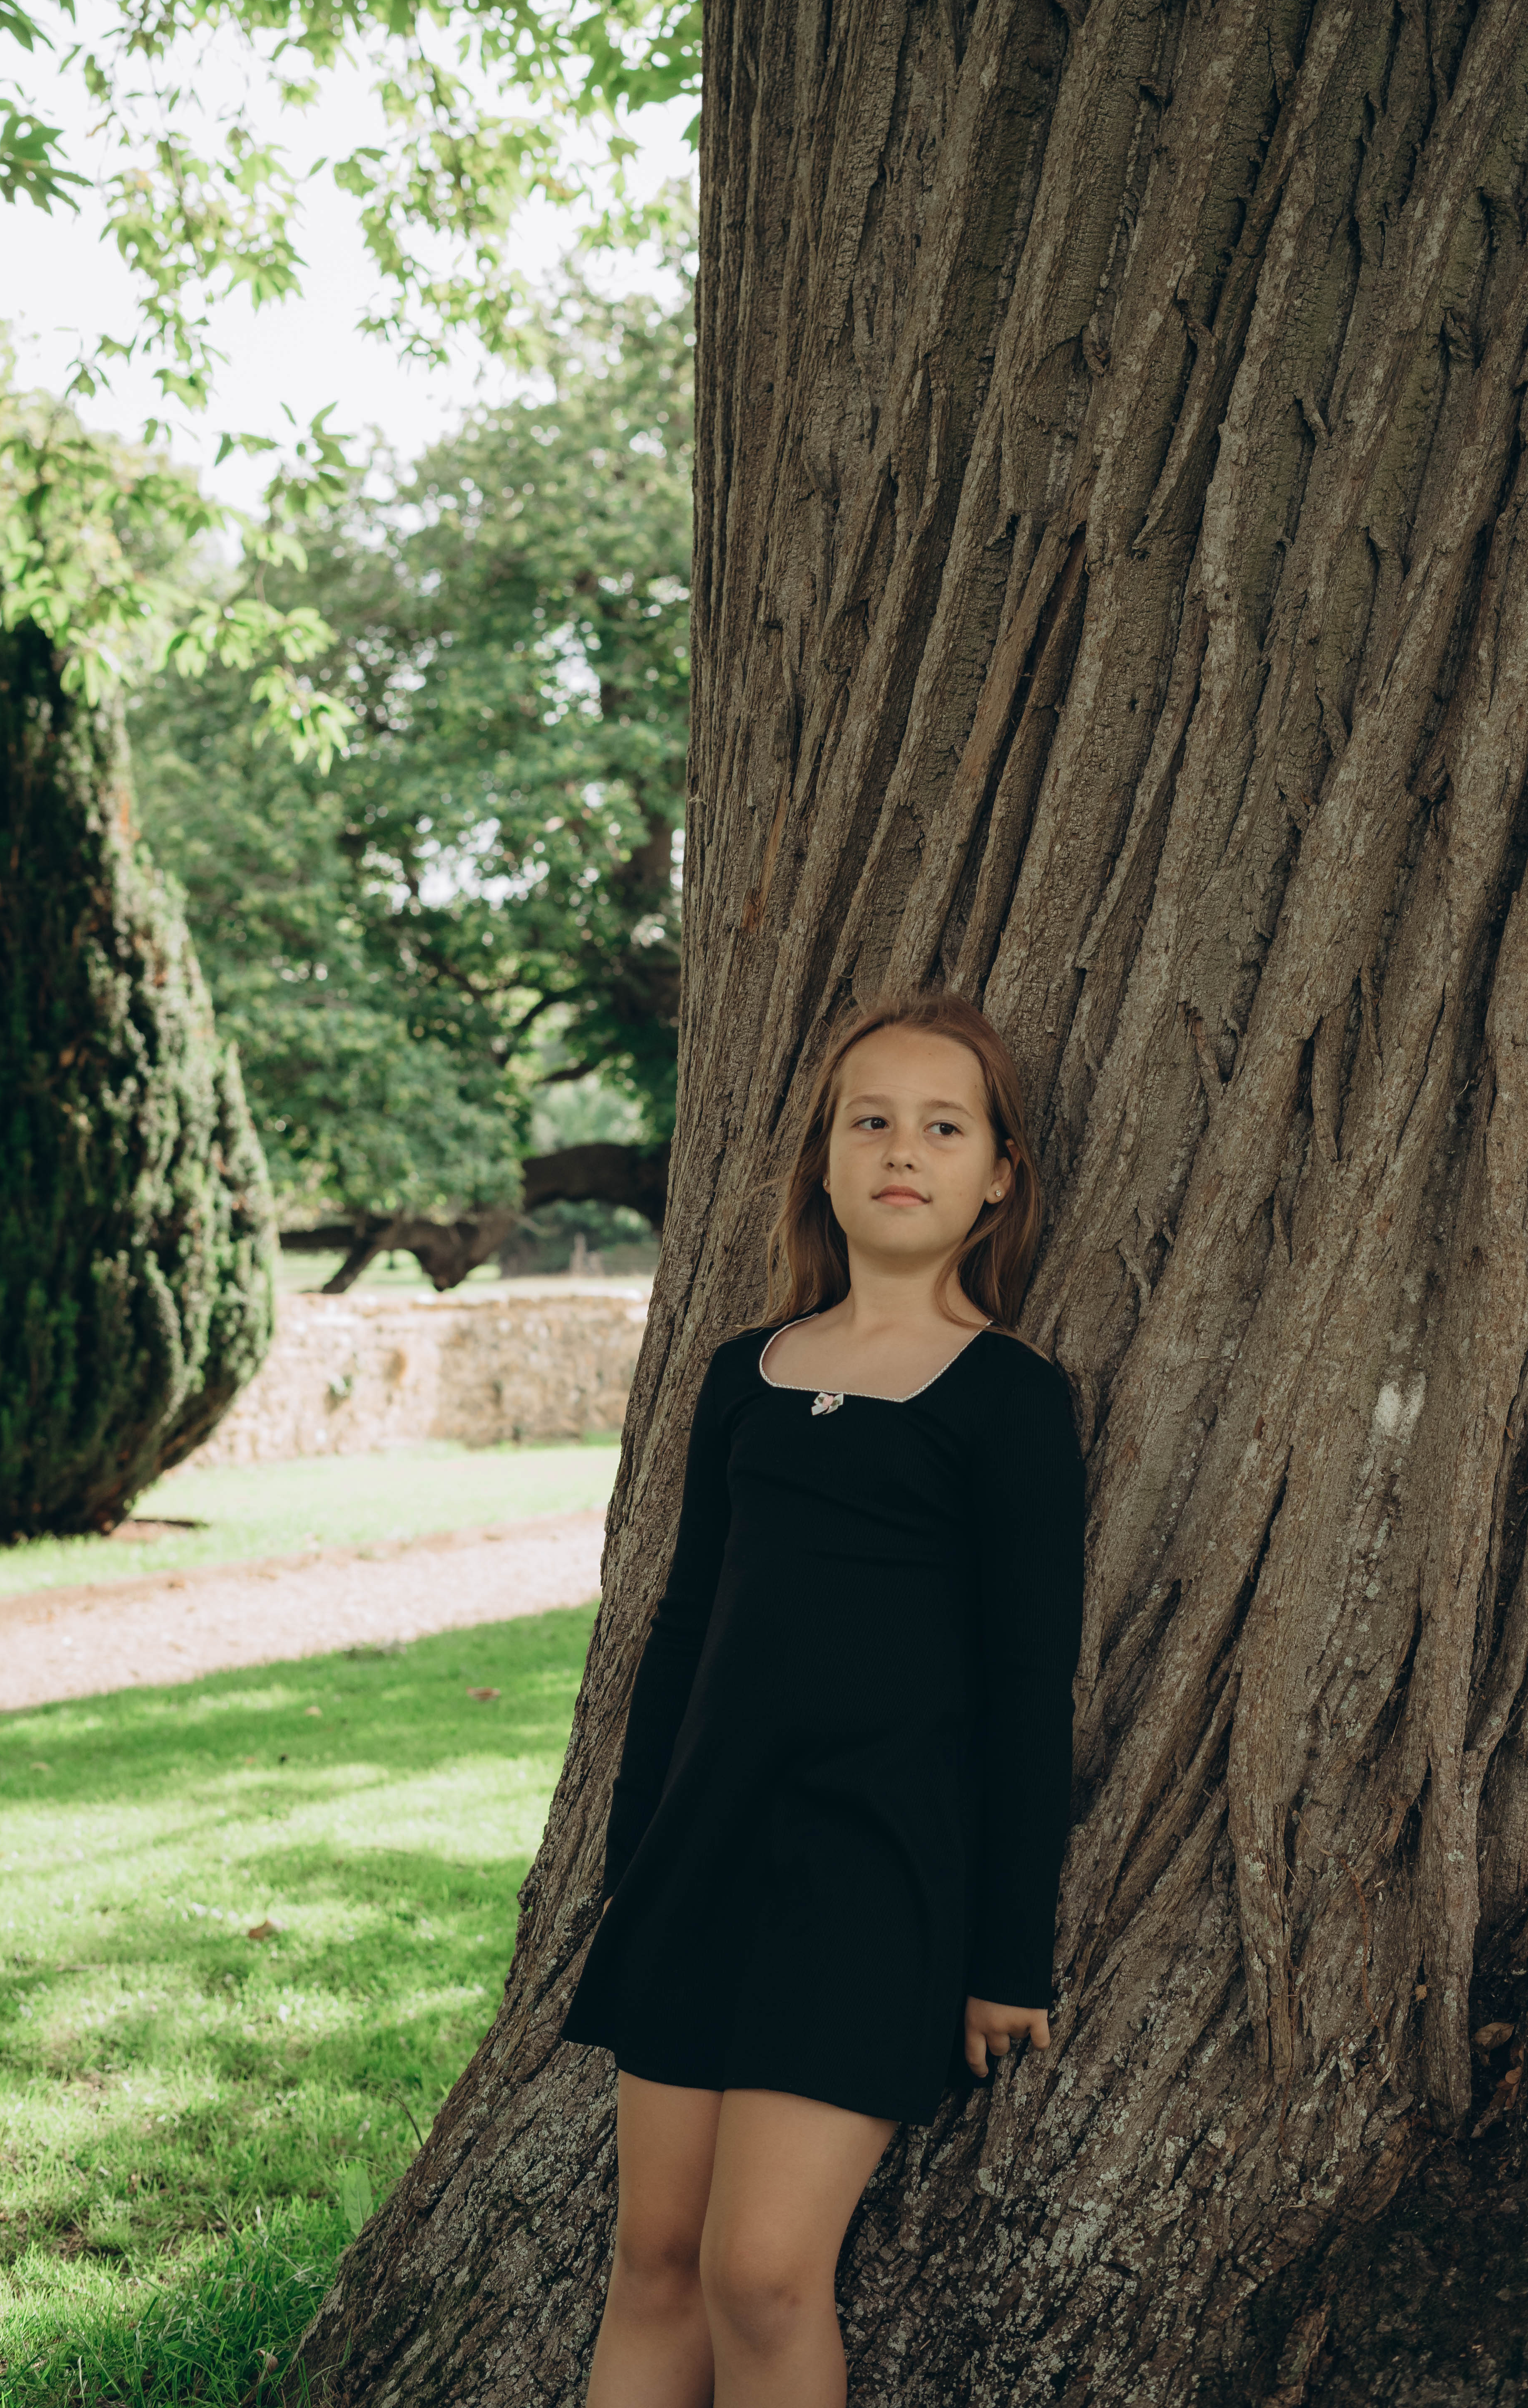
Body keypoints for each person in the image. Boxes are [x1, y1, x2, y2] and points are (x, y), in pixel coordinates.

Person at [564, 989, 1086, 2408]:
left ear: (1000, 1177)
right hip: (700, 1864)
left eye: (944, 1127)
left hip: (872, 1878)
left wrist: (1008, 1955)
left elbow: (1029, 1683)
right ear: (824, 1159)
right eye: (872, 1121)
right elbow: (682, 1633)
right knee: (655, 2261)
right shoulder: (746, 1376)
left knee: (762, 2276)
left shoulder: (1006, 1399)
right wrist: (630, 1867)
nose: (902, 1150)